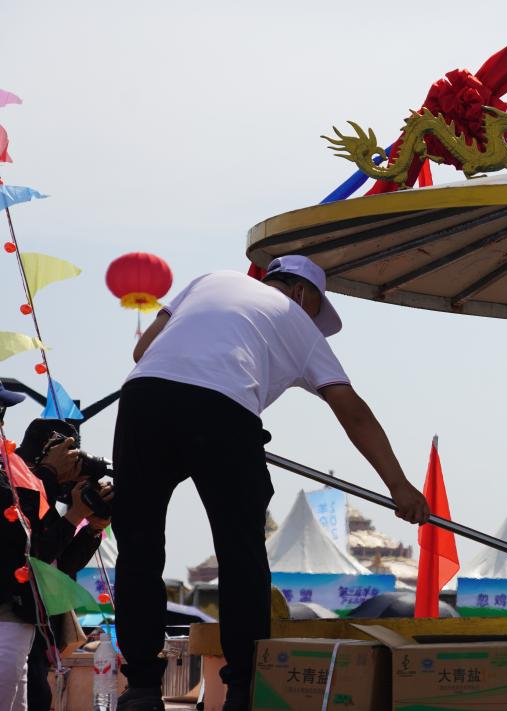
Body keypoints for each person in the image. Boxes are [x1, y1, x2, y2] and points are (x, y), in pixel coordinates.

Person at [112, 256, 429, 711]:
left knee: (138, 546)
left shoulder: (211, 278)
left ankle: (141, 688)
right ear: (301, 293)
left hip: (143, 398)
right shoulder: (300, 322)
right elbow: (352, 411)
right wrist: (399, 486)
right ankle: (242, 690)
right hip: (223, 409)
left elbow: (143, 350)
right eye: (315, 308)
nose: (313, 319)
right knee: (240, 553)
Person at [1, 390, 102, 711]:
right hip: (7, 618)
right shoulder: (15, 477)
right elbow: (25, 544)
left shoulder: (27, 480)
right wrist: (48, 475)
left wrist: (92, 526)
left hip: (28, 622)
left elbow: (57, 563)